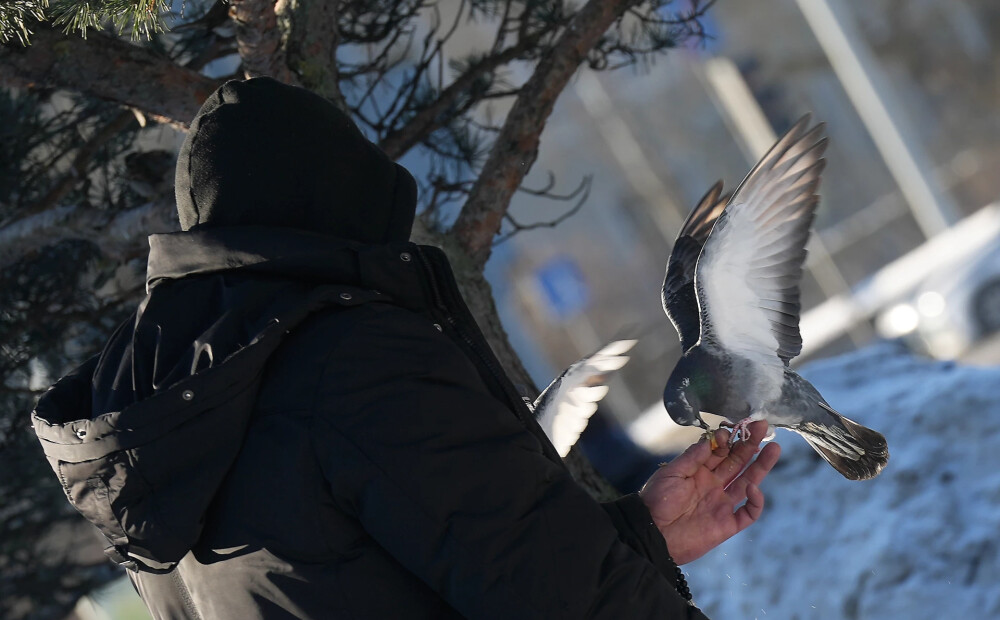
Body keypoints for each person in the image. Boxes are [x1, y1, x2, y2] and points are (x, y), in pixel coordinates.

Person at [31, 77, 780, 619]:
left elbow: (353, 575)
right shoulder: (350, 361)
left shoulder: (147, 420)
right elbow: (539, 585)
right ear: (341, 196)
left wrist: (639, 539)